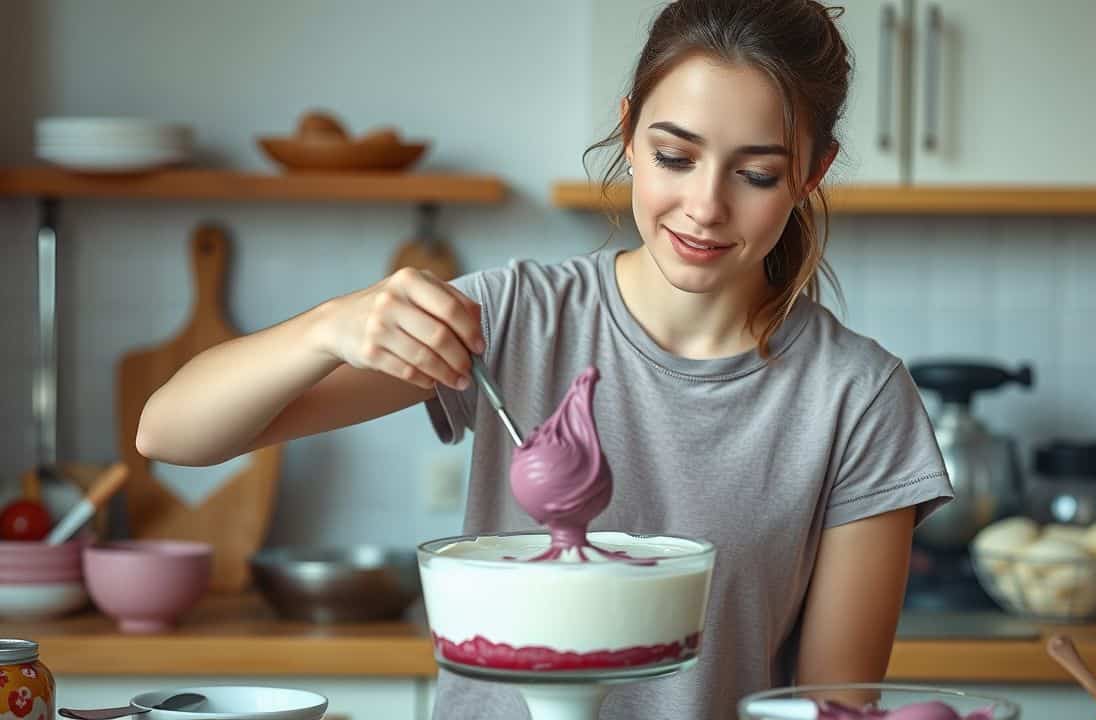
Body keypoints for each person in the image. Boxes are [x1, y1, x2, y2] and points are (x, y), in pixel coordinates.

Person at [136, 1, 953, 717]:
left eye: (757, 173)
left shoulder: (858, 399)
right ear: (629, 132)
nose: (705, 206)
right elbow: (171, 433)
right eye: (675, 156)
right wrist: (324, 327)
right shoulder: (514, 317)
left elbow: (830, 709)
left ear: (811, 174)